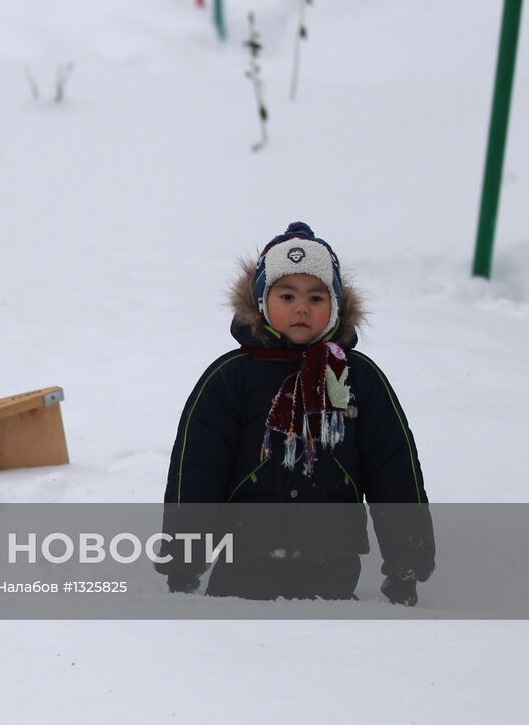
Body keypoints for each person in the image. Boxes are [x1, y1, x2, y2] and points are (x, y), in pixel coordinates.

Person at [159, 222, 434, 603]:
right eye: (287, 296)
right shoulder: (230, 378)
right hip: (243, 560)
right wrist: (183, 561)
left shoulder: (358, 378)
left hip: (331, 562)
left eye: (316, 298)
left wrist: (407, 560)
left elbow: (393, 469)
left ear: (335, 308)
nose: (301, 307)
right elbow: (197, 471)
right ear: (261, 303)